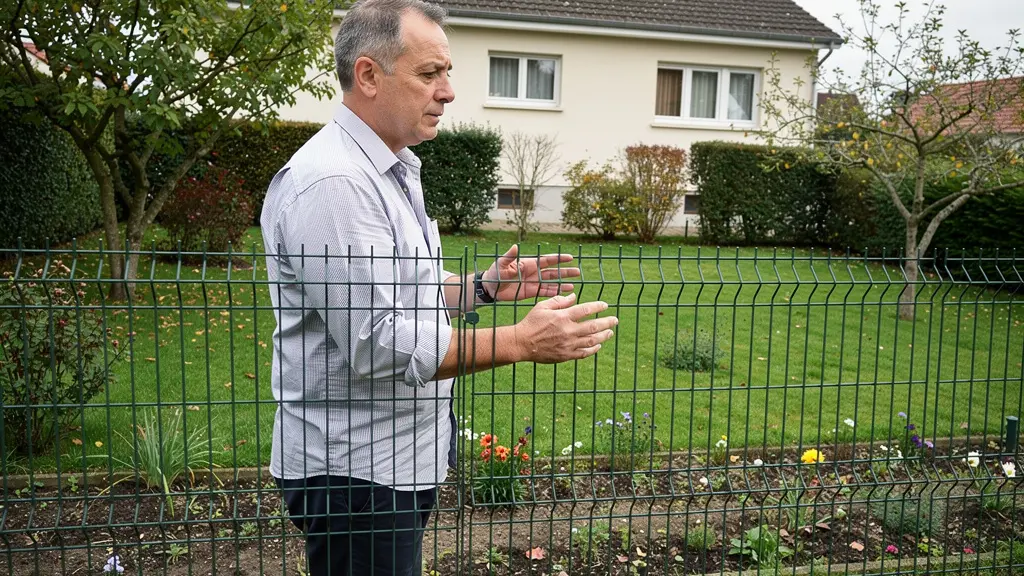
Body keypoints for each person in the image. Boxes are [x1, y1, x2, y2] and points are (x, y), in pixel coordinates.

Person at [259, 1, 618, 574]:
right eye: (430, 74)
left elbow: (404, 287)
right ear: (369, 75)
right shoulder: (336, 185)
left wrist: (481, 288)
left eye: (447, 73)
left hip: (389, 463)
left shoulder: (388, 166)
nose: (448, 92)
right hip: (355, 474)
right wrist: (520, 341)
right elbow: (377, 342)